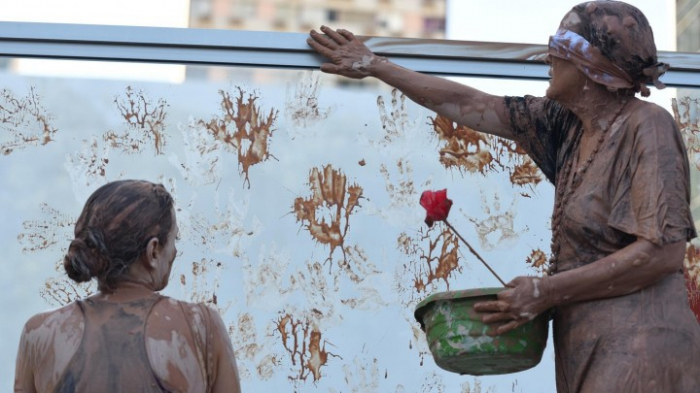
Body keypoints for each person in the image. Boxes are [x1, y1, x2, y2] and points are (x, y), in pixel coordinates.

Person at [308, 1, 700, 392]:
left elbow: (662, 254)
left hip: (643, 347)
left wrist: (544, 291)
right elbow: (473, 105)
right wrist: (376, 66)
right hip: (587, 343)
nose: (549, 58)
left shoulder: (647, 125)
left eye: (559, 48)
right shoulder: (566, 124)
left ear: (589, 67)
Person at [14, 180, 241, 392]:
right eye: (174, 240)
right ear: (153, 251)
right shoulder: (202, 327)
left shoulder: (40, 333)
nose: (175, 252)